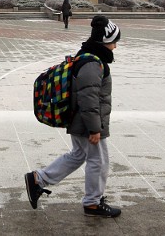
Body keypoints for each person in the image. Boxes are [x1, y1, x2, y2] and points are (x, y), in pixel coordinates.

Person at [25, 15, 122, 218]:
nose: (115, 47)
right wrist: (95, 128)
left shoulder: (87, 57)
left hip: (80, 119)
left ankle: (38, 180)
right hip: (87, 122)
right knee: (99, 160)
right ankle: (93, 203)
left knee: (79, 155)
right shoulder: (93, 64)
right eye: (114, 42)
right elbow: (89, 98)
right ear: (105, 41)